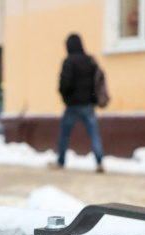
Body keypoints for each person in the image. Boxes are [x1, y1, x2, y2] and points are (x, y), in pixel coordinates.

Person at [51, 33, 105, 173]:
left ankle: (61, 161)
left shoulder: (69, 62)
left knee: (64, 134)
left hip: (73, 105)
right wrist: (92, 98)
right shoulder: (90, 61)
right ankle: (99, 162)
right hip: (88, 105)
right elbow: (97, 81)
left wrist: (65, 96)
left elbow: (65, 83)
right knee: (94, 134)